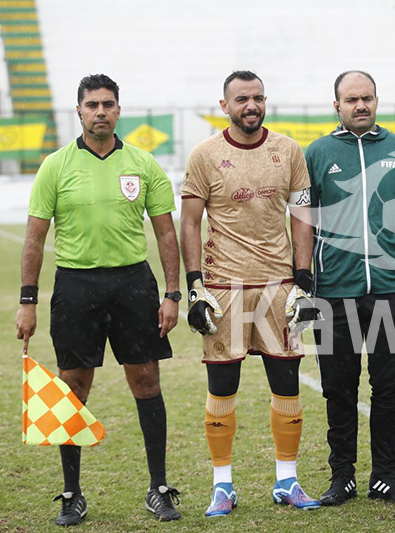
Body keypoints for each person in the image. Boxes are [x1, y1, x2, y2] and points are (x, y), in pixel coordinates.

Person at [14, 74, 182, 525]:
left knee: (146, 380)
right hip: (76, 286)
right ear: (79, 111)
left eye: (108, 104)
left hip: (133, 284)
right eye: (92, 105)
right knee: (73, 386)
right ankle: (72, 493)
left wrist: (172, 293)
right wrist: (28, 300)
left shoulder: (143, 163)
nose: (101, 112)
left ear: (119, 110)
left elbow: (166, 234)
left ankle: (159, 488)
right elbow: (34, 237)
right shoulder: (56, 166)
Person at [180, 70, 320, 516]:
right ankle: (222, 486)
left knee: (287, 382)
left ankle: (287, 480)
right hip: (225, 286)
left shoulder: (289, 150)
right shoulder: (205, 154)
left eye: (258, 97)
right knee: (222, 386)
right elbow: (189, 223)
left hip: (279, 286)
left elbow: (302, 218)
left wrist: (303, 282)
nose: (251, 105)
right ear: (225, 105)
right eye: (241, 99)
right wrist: (195, 287)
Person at [305, 70, 395, 505]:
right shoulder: (317, 154)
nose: (360, 105)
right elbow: (302, 223)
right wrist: (304, 281)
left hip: (391, 289)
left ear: (376, 101)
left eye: (367, 98)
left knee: (390, 387)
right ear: (336, 105)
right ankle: (342, 476)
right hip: (333, 292)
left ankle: (385, 476)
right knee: (338, 388)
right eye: (351, 99)